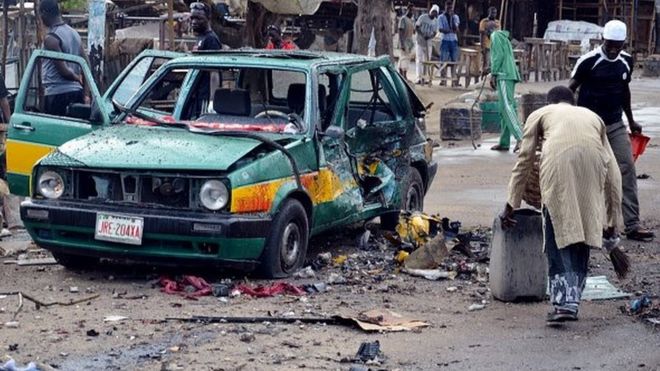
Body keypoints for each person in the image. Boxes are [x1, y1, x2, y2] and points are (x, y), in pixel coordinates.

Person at [500, 86, 622, 325]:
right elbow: (614, 173)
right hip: (593, 162)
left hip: (557, 161)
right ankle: (572, 300)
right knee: (584, 228)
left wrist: (510, 204)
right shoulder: (592, 117)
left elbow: (524, 161)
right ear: (572, 102)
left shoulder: (542, 113)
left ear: (550, 101)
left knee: (557, 228)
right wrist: (611, 220)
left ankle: (563, 304)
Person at [569, 19, 654, 242]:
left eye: (619, 46)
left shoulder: (626, 62)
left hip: (615, 124)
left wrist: (631, 120)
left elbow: (624, 91)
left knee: (625, 168)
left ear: (624, 44)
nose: (614, 50)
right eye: (610, 45)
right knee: (587, 172)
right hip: (588, 125)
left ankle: (632, 225)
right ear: (602, 41)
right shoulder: (588, 62)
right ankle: (583, 225)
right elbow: (569, 90)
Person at [39, 0, 88, 117]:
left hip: (57, 95)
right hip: (77, 93)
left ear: (44, 13)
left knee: (53, 133)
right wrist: (86, 94)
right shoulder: (74, 34)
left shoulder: (51, 38)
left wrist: (77, 78)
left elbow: (63, 71)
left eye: (40, 15)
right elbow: (86, 64)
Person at [489, 30, 522, 152]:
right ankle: (504, 142)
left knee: (507, 108)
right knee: (504, 109)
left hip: (503, 74)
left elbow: (498, 55)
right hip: (509, 74)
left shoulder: (495, 36)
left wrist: (494, 73)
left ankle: (520, 138)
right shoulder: (503, 37)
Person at [414, 4, 439, 84]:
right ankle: (419, 78)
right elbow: (417, 27)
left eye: (436, 13)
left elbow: (435, 32)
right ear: (431, 11)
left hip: (428, 43)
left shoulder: (435, 21)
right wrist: (422, 35)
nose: (434, 14)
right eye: (433, 12)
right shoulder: (423, 17)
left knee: (427, 61)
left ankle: (426, 78)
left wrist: (430, 36)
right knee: (419, 60)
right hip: (420, 41)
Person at [437, 0, 460, 85]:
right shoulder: (441, 17)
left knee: (454, 61)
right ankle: (443, 80)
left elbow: (456, 29)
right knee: (444, 60)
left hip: (453, 40)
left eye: (450, 7)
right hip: (445, 40)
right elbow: (441, 29)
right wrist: (450, 30)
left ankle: (453, 80)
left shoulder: (455, 17)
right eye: (448, 7)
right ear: (445, 7)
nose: (449, 8)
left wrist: (452, 18)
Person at [479, 6, 501, 72]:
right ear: (489, 13)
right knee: (486, 64)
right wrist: (481, 46)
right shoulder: (484, 22)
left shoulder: (497, 22)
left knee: (493, 65)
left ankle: (491, 80)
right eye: (492, 13)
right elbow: (481, 34)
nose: (494, 14)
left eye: (495, 13)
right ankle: (483, 79)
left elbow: (498, 34)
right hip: (486, 45)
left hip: (494, 46)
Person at [397, 4, 415, 80]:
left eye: (413, 10)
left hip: (410, 42)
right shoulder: (403, 19)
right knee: (403, 59)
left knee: (406, 59)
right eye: (410, 10)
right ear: (407, 10)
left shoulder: (411, 20)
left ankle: (404, 75)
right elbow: (400, 31)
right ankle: (402, 75)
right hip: (404, 42)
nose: (411, 12)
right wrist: (402, 43)